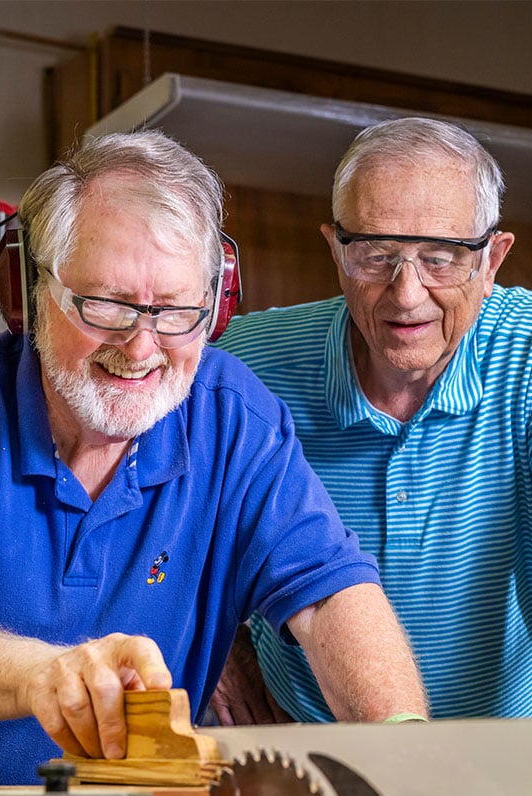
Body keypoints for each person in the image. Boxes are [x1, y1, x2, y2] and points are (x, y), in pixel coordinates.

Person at [0, 129, 426, 785]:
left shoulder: (230, 419)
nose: (140, 348)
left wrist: (408, 755)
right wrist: (50, 674)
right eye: (104, 305)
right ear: (29, 291)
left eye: (175, 311)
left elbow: (332, 598)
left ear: (214, 306)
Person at [214, 116, 528, 725]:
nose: (406, 294)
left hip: (503, 746)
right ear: (335, 249)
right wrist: (221, 648)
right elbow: (145, 514)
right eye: (376, 255)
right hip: (308, 745)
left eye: (440, 258)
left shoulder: (526, 356)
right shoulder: (243, 367)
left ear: (491, 261)